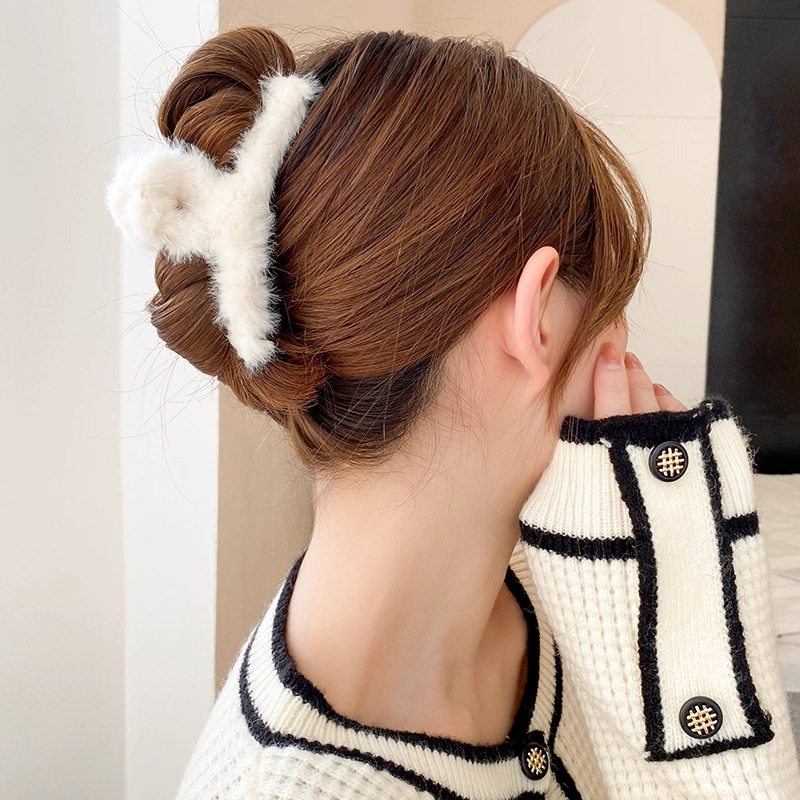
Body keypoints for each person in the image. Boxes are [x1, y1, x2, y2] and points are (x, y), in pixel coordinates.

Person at [105, 25, 800, 799]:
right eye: (611, 301)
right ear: (538, 319)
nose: (622, 341)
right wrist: (696, 693)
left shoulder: (573, 578)